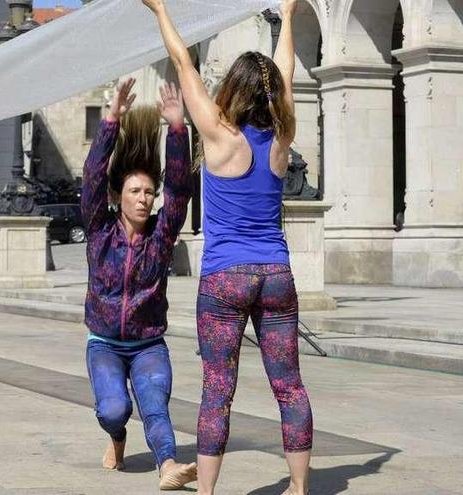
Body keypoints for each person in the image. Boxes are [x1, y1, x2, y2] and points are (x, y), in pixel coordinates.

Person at [143, 1, 312, 494]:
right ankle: (300, 490)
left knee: (218, 391)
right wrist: (288, 12)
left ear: (233, 90)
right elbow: (285, 73)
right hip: (276, 275)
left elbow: (183, 63)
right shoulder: (282, 137)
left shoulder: (217, 135)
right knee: (290, 386)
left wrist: (159, 11)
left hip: (225, 278)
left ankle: (208, 492)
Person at [82, 77, 197, 490]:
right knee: (113, 409)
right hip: (105, 344)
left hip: (148, 344)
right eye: (135, 190)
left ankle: (168, 465)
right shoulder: (99, 229)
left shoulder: (161, 237)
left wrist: (178, 129)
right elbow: (93, 175)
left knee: (154, 405)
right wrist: (111, 118)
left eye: (150, 191)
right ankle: (117, 436)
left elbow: (181, 190)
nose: (144, 198)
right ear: (120, 197)